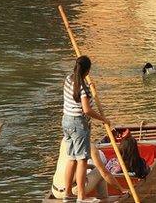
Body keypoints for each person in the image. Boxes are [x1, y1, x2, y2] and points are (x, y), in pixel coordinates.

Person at [61, 55, 110, 203]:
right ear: (87, 71)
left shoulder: (69, 79)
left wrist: (91, 90)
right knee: (82, 160)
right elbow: (87, 110)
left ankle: (68, 193)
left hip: (66, 122)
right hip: (78, 124)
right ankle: (81, 197)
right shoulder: (82, 87)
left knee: (71, 159)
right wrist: (103, 119)